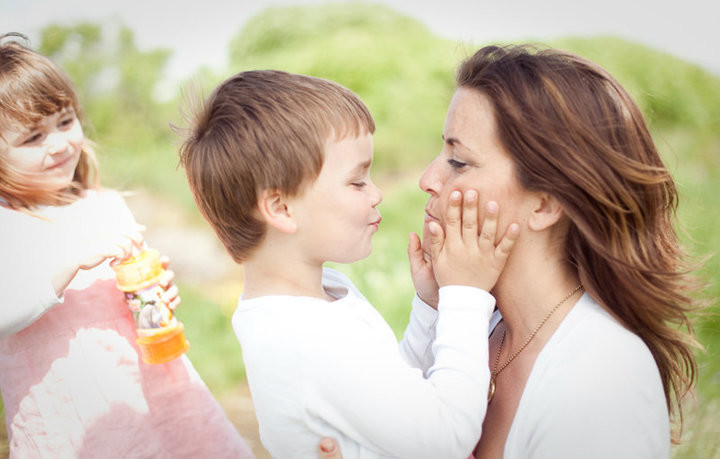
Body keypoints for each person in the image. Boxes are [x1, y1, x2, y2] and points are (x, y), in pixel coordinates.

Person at [318, 44, 703, 459]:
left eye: (459, 161)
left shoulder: (602, 377)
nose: (428, 179)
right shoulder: (473, 331)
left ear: (545, 203)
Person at [178, 69, 520, 458]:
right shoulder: (304, 337)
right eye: (357, 182)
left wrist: (430, 308)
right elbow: (446, 437)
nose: (376, 194)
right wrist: (466, 295)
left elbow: (391, 395)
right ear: (281, 208)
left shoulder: (320, 296)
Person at [0, 34, 254, 458]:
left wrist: (158, 295)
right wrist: (72, 262)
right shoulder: (8, 225)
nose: (61, 144)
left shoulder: (105, 205)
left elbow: (131, 301)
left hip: (157, 397)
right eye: (33, 138)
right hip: (73, 418)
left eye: (65, 122)